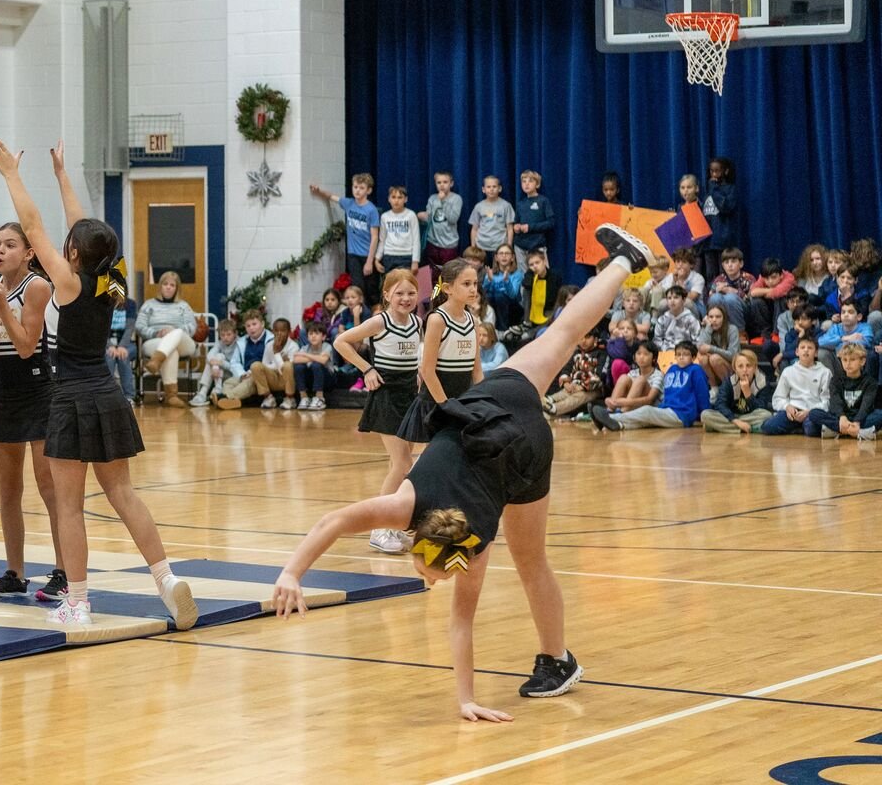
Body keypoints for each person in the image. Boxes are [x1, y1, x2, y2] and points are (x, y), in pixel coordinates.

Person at [271, 223, 660, 720]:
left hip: (521, 448)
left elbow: (461, 624)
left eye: (428, 573)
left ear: (440, 547)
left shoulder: (467, 550)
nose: (429, 581)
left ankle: (559, 660)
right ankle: (626, 262)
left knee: (531, 562)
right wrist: (290, 572)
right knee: (562, 335)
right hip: (498, 408)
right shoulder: (410, 511)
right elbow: (332, 522)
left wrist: (468, 700)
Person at [0, 138, 198, 630]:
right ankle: (165, 579)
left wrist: (11, 175)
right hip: (108, 393)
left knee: (69, 506)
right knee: (124, 493)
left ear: (73, 253)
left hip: (69, 394)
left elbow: (35, 227)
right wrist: (62, 174)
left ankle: (77, 601)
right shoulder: (113, 280)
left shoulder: (68, 283)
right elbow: (88, 232)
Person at [0, 220, 66, 602]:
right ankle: (15, 572)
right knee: (8, 487)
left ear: (29, 253)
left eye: (9, 245)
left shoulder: (37, 286)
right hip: (2, 389)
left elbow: (25, 346)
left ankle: (64, 570)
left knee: (48, 485)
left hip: (37, 388)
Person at [332, 269, 422, 554]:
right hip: (386, 396)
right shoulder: (379, 321)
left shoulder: (418, 323)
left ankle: (393, 524)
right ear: (387, 295)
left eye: (410, 293)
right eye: (399, 293)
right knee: (403, 464)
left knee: (399, 465)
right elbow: (341, 342)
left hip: (410, 396)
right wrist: (367, 368)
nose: (405, 299)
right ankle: (379, 529)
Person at [398, 258, 483, 443]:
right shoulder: (437, 320)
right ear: (447, 288)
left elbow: (476, 370)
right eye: (466, 284)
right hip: (435, 404)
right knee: (428, 464)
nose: (473, 289)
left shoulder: (473, 322)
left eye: (475, 284)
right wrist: (446, 406)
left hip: (463, 402)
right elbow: (427, 371)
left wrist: (482, 399)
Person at [591, 340, 707, 431]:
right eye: (679, 354)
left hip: (682, 414)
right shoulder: (672, 369)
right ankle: (619, 424)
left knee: (647, 411)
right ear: (675, 357)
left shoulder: (696, 370)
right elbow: (668, 395)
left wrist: (704, 415)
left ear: (693, 358)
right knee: (645, 421)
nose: (681, 357)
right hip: (666, 409)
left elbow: (702, 393)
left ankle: (610, 417)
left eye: (686, 355)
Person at [310, 175, 379, 302]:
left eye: (361, 188)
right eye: (355, 187)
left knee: (371, 289)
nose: (357, 190)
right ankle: (359, 316)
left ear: (368, 191)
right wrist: (319, 191)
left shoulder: (371, 210)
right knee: (357, 287)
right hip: (353, 254)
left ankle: (374, 315)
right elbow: (331, 196)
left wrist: (370, 261)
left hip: (367, 254)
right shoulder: (349, 204)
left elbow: (375, 237)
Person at [135, 271, 198, 406]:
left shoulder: (183, 306)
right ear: (160, 286)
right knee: (171, 351)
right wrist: (156, 333)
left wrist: (173, 331)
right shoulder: (149, 305)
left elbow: (192, 327)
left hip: (183, 341)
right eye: (165, 284)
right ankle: (171, 395)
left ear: (177, 288)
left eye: (172, 285)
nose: (168, 287)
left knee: (177, 332)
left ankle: (156, 361)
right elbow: (139, 326)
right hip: (155, 341)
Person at [758, 334, 835, 436]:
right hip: (793, 412)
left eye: (810, 348)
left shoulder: (825, 372)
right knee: (768, 427)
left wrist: (808, 411)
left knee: (811, 428)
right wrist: (787, 406)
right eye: (802, 347)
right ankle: (797, 428)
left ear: (816, 353)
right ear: (797, 352)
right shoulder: (788, 371)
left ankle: (799, 428)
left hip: (812, 412)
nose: (806, 350)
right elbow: (778, 398)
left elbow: (827, 401)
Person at [810, 343, 881, 440]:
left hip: (862, 418)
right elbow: (835, 402)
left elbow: (866, 405)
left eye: (852, 360)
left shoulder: (870, 382)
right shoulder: (836, 380)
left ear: (862, 361)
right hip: (841, 419)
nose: (848, 364)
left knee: (879, 415)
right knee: (814, 413)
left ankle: (838, 431)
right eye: (844, 360)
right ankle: (859, 433)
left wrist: (857, 421)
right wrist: (842, 418)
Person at [702, 349, 772, 434]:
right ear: (735, 369)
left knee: (766, 415)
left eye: (748, 366)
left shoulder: (762, 382)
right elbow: (720, 404)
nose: (745, 369)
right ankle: (749, 428)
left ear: (755, 368)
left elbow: (761, 407)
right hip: (732, 416)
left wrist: (748, 394)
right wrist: (737, 422)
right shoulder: (729, 382)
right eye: (740, 366)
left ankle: (719, 427)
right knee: (705, 415)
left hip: (751, 416)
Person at [189, 319, 244, 409]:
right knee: (216, 357)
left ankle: (210, 391)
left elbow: (234, 367)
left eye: (229, 334)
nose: (225, 337)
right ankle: (204, 392)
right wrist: (215, 365)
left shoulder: (239, 344)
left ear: (235, 334)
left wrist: (220, 363)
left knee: (219, 357)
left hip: (233, 374)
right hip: (219, 373)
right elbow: (210, 355)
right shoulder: (220, 343)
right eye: (222, 335)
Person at [700, 157, 738, 285]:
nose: (714, 174)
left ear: (726, 171)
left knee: (724, 274)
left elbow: (725, 207)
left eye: (717, 171)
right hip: (708, 242)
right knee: (710, 274)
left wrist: (714, 189)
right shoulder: (708, 192)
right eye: (712, 171)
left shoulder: (730, 189)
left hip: (723, 240)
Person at [420, 171, 464, 275]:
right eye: (439, 182)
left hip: (449, 244)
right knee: (434, 274)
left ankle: (446, 291)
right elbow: (430, 218)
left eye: (445, 182)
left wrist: (443, 200)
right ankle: (435, 292)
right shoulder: (432, 198)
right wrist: (423, 216)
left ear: (451, 183)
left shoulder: (456, 199)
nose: (442, 185)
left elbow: (453, 219)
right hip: (433, 243)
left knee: (448, 274)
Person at [511, 170, 555, 270]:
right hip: (520, 246)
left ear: (537, 184)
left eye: (530, 181)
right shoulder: (520, 203)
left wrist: (530, 227)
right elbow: (516, 221)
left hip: (537, 245)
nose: (526, 184)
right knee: (524, 276)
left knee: (542, 273)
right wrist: (516, 227)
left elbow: (551, 223)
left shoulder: (543, 201)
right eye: (524, 181)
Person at [290, 321, 336, 411]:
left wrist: (306, 355)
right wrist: (316, 357)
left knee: (317, 365)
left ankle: (320, 398)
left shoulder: (327, 346)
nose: (313, 336)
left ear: (323, 337)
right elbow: (295, 360)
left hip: (328, 379)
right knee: (299, 367)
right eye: (310, 334)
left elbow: (323, 360)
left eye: (316, 333)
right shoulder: (305, 348)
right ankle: (304, 397)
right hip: (312, 379)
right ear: (307, 336)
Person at [376, 185, 420, 278]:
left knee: (404, 285)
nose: (396, 200)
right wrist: (377, 258)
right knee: (390, 286)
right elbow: (382, 240)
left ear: (406, 199)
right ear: (389, 199)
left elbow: (416, 240)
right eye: (393, 197)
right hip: (389, 256)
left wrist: (415, 261)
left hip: (406, 256)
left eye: (400, 197)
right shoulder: (385, 216)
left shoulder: (411, 215)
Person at [469, 176, 514, 257]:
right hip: (481, 246)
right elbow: (474, 228)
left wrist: (509, 246)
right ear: (483, 189)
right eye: (488, 187)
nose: (491, 189)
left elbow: (510, 228)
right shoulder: (479, 206)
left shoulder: (506, 205)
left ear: (499, 188)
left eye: (494, 186)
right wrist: (473, 247)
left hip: (500, 246)